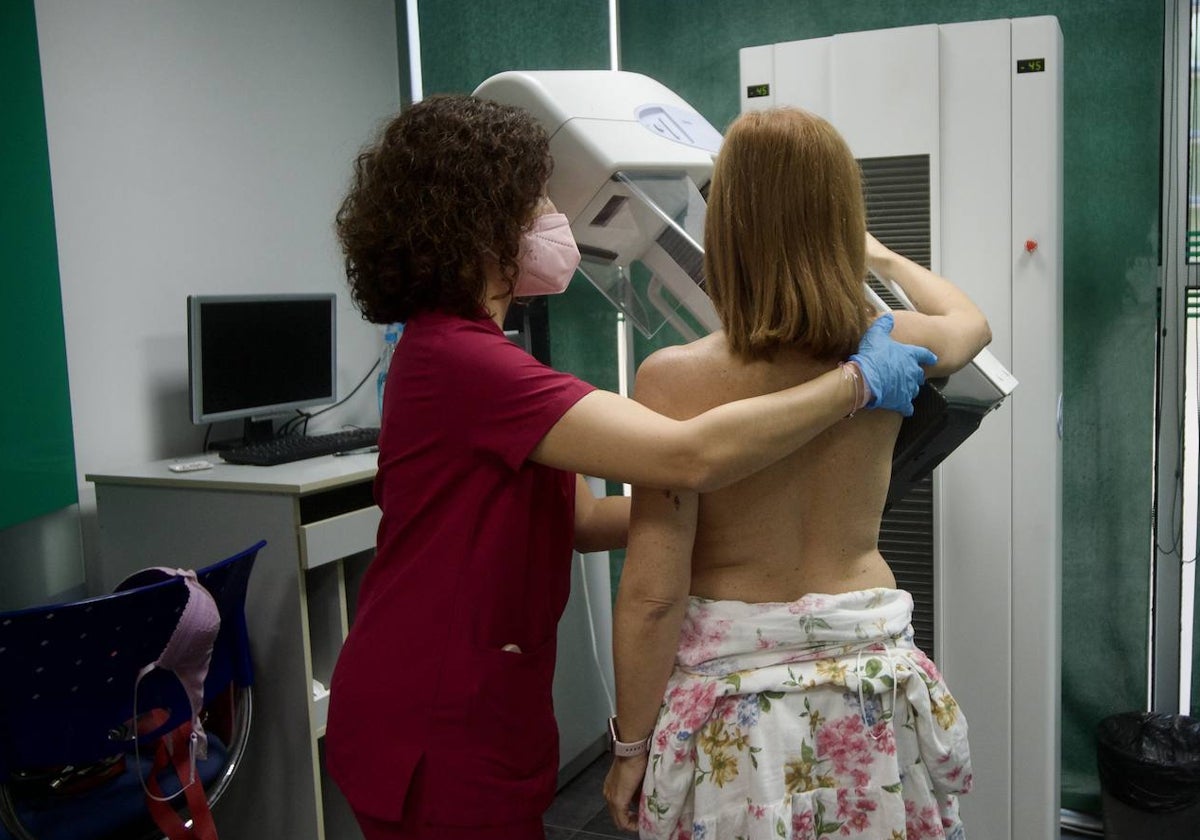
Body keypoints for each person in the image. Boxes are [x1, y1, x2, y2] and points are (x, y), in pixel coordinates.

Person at [323, 94, 936, 840]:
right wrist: (854, 386)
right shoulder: (464, 362)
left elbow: (582, 519)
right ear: (480, 224)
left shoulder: (479, 357)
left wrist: (743, 514)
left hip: (485, 700)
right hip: (431, 712)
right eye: (538, 198)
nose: (556, 216)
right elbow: (690, 454)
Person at [603, 107, 991, 840]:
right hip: (875, 693)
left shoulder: (672, 382)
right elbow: (973, 323)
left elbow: (654, 593)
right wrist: (883, 261)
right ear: (842, 220)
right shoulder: (889, 345)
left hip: (739, 716)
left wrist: (629, 749)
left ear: (726, 227)